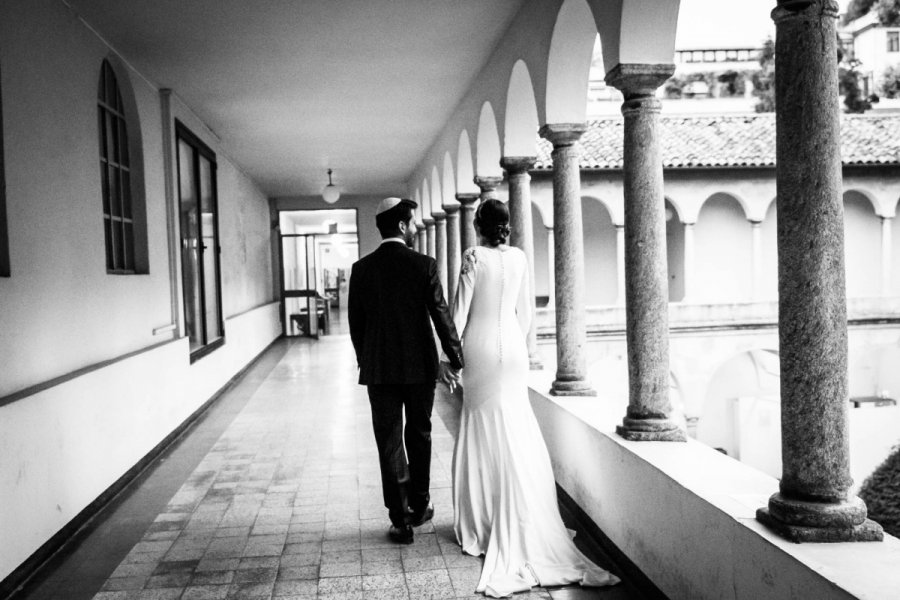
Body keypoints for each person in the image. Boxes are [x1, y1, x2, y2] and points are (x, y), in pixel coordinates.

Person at [447, 199, 620, 597]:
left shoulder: (474, 257)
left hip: (481, 349)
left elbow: (460, 313)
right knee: (515, 427)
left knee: (481, 427)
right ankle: (527, 513)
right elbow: (525, 314)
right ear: (506, 226)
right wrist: (517, 346)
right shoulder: (521, 258)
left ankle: (486, 519)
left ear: (478, 225)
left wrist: (448, 357)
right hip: (514, 350)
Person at [348, 196, 464, 545]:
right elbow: (441, 316)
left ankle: (400, 521)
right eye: (411, 222)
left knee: (389, 441)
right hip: (419, 369)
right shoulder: (424, 265)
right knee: (420, 434)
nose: (413, 228)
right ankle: (419, 504)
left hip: (380, 369)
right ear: (401, 225)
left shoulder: (362, 269)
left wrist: (365, 357)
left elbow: (357, 325)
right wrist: (455, 358)